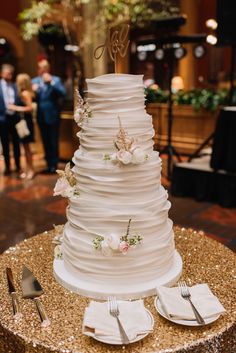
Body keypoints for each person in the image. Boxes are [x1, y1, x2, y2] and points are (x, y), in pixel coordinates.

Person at [32, 59, 66, 173]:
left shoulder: (55, 79)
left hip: (53, 115)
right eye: (40, 67)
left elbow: (63, 93)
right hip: (41, 116)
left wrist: (51, 82)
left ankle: (54, 165)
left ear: (47, 68)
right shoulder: (35, 81)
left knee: (53, 141)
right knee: (45, 141)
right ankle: (48, 164)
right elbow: (30, 98)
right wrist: (33, 92)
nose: (41, 70)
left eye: (43, 67)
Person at [8, 73, 35, 179]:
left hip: (26, 123)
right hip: (22, 122)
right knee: (25, 147)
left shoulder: (25, 93)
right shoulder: (22, 93)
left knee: (27, 148)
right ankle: (28, 169)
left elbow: (30, 108)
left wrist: (15, 108)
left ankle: (31, 170)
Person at [0, 64, 21, 176]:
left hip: (15, 118)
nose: (10, 75)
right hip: (3, 119)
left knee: (17, 143)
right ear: (2, 73)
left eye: (11, 73)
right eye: (8, 73)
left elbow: (18, 99)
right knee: (5, 143)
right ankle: (8, 167)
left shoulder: (14, 86)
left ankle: (18, 166)